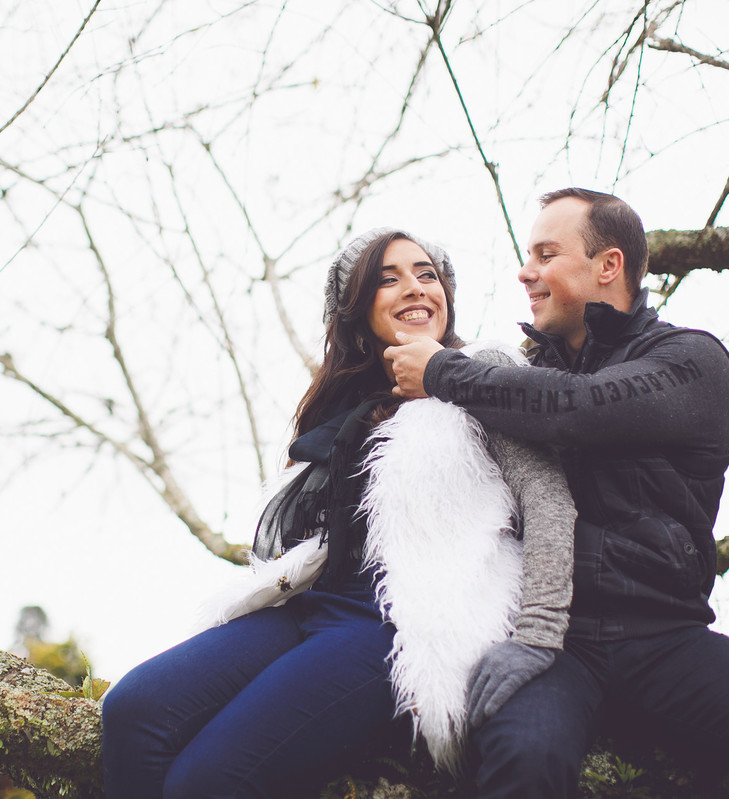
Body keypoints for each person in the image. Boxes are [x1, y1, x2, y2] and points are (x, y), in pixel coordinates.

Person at [386, 188, 729, 798]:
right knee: (525, 760)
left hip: (666, 642)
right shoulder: (519, 374)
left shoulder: (691, 362)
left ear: (608, 266)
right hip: (551, 645)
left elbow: (575, 410)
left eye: (545, 253)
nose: (524, 271)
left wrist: (442, 370)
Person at [100, 228, 577, 798]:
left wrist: (536, 636)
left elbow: (550, 503)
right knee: (132, 711)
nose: (415, 288)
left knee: (206, 782)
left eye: (427, 274)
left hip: (388, 627)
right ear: (355, 310)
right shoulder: (346, 407)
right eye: (388, 278)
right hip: (306, 608)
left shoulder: (482, 371)